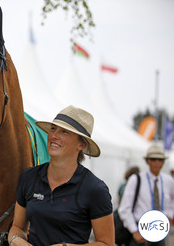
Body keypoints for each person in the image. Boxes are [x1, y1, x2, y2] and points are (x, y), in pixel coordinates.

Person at [8, 105, 114, 246]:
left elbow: (107, 243)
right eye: (53, 129)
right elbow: (17, 227)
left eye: (64, 132)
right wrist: (15, 240)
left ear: (81, 145)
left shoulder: (95, 189)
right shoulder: (29, 177)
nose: (54, 136)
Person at [118, 144, 174, 246]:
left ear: (163, 161)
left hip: (160, 232)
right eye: (153, 159)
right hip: (139, 232)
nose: (157, 162)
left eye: (160, 159)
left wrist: (168, 216)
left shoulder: (168, 181)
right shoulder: (136, 179)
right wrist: (135, 231)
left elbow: (172, 202)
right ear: (147, 161)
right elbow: (124, 208)